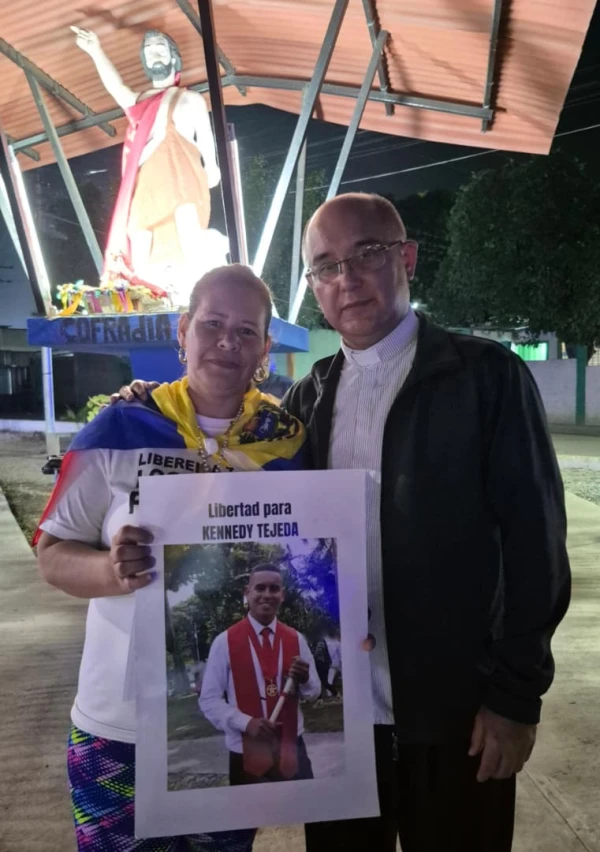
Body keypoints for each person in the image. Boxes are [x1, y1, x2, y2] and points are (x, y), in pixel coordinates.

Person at [114, 193, 570, 852]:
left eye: (367, 254)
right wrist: (146, 402)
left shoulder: (483, 378)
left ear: (406, 257)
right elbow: (232, 475)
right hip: (340, 721)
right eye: (325, 266)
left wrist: (515, 699)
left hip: (455, 710)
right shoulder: (308, 397)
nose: (346, 278)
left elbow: (536, 546)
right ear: (313, 289)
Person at [35, 265, 306, 852]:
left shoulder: (288, 446)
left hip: (228, 731)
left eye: (246, 330)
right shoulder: (119, 427)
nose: (227, 342)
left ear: (266, 347)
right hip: (117, 724)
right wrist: (108, 572)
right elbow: (52, 553)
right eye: (211, 324)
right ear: (183, 331)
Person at [72, 26, 224, 301]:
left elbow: (209, 156)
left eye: (160, 47)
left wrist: (211, 169)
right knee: (140, 242)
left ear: (173, 58)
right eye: (148, 49)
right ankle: (147, 300)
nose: (153, 52)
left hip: (183, 186)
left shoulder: (192, 100)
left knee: (188, 241)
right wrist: (96, 50)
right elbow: (115, 86)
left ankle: (195, 300)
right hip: (145, 188)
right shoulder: (139, 101)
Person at [199, 564, 321, 785]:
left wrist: (306, 680)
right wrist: (246, 723)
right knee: (250, 818)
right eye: (260, 588)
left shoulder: (296, 639)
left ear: (282, 595)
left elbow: (313, 693)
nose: (267, 595)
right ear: (247, 592)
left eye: (274, 589)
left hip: (292, 749)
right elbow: (208, 699)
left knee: (303, 814)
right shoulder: (224, 642)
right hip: (246, 754)